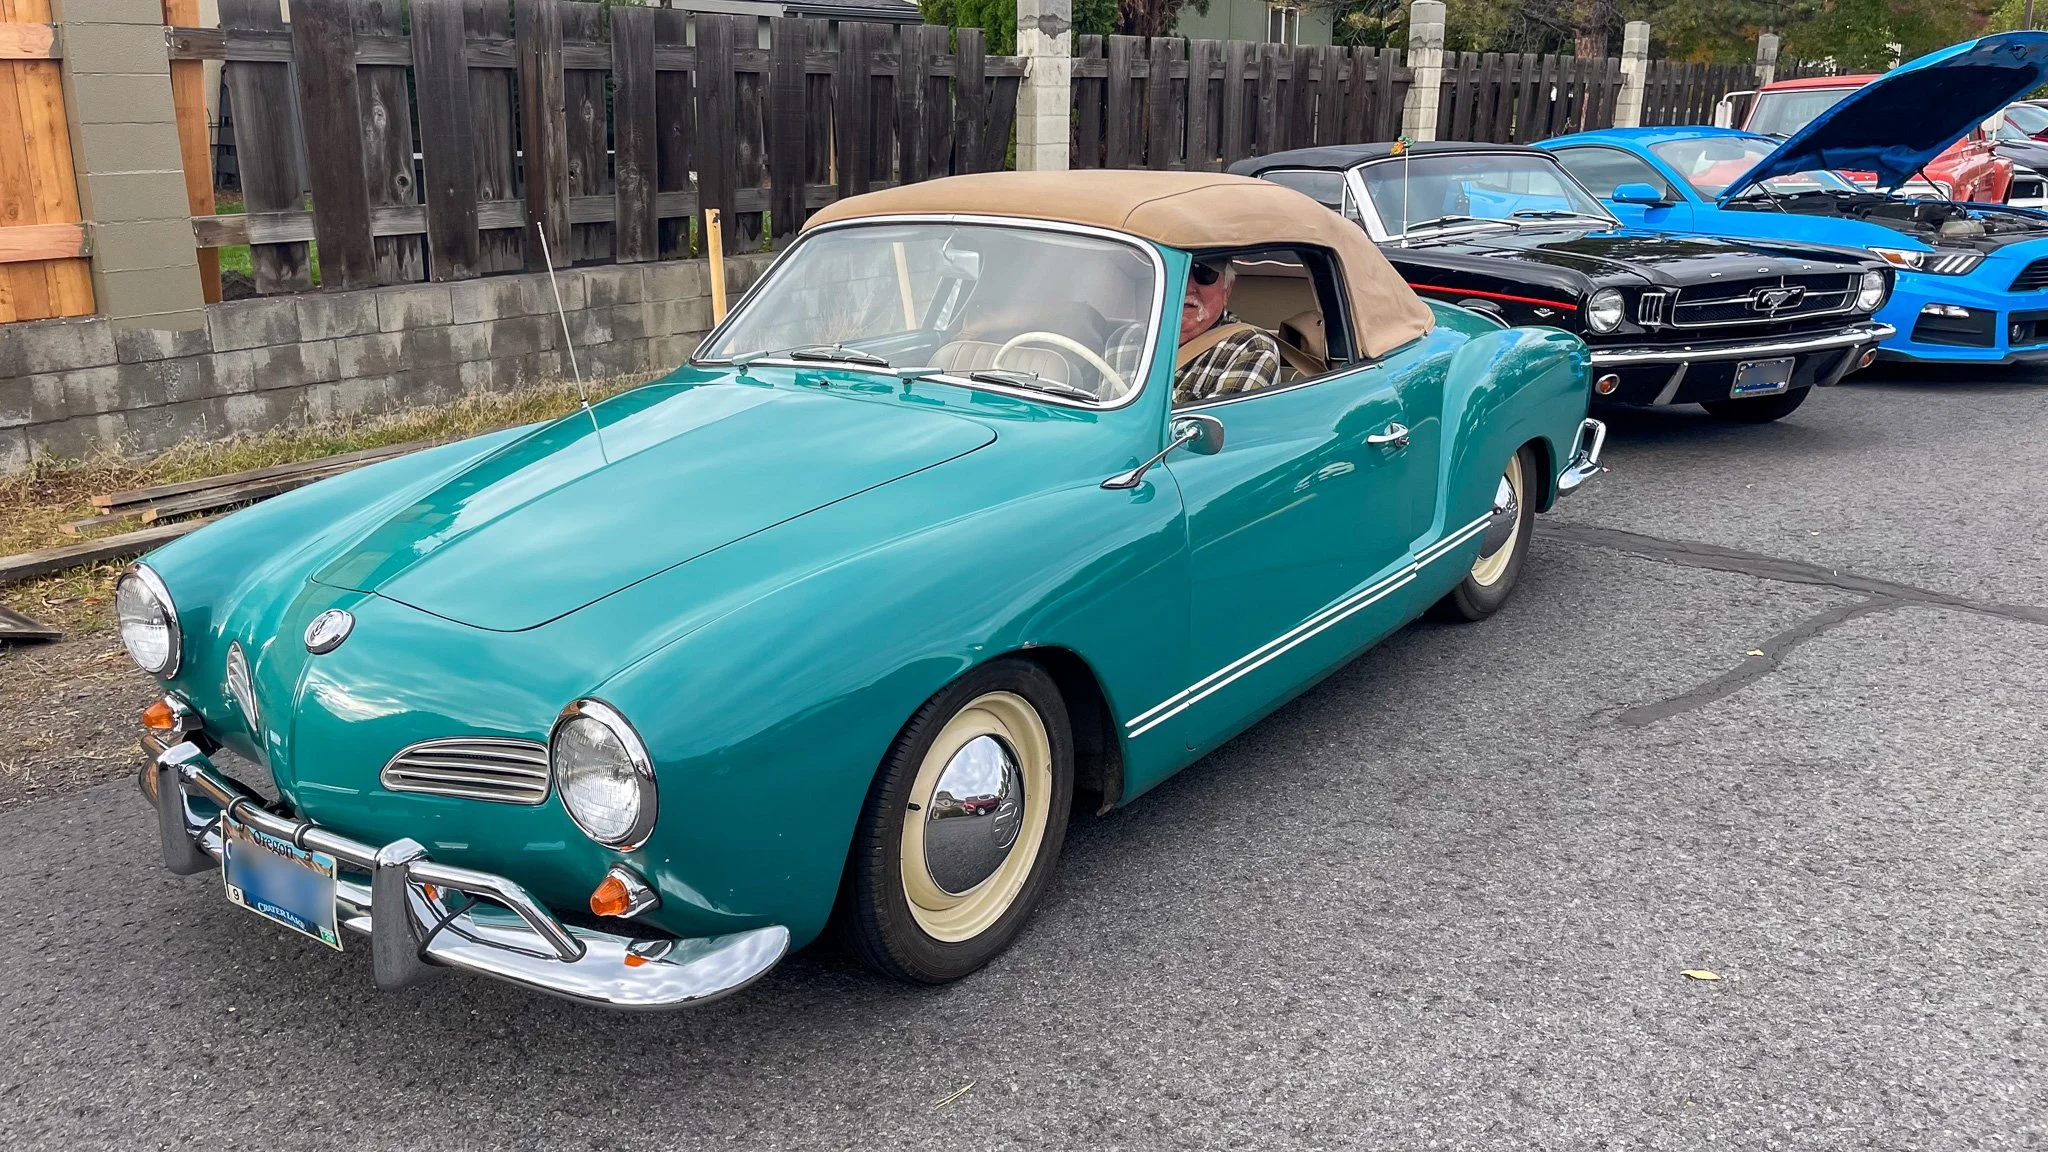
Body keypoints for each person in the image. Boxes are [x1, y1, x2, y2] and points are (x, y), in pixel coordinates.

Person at [1108, 258, 1283, 406]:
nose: (1186, 286)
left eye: (1204, 274)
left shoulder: (1251, 347)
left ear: (1226, 290)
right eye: (1174, 271)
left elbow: (1227, 432)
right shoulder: (1126, 338)